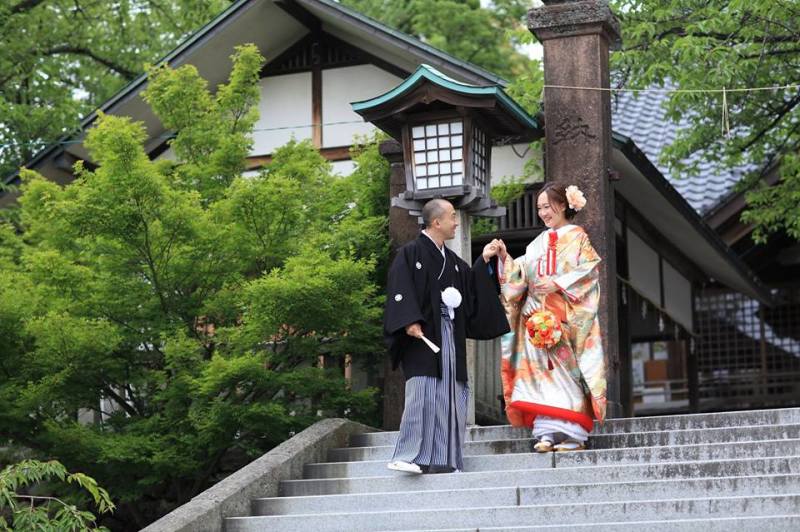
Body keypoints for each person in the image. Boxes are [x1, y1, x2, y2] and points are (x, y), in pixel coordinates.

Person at [384, 198, 510, 474]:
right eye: (453, 216)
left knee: (450, 394)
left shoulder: (452, 262)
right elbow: (399, 287)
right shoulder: (411, 254)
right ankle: (407, 454)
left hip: (450, 333)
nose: (456, 222)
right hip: (422, 334)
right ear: (436, 222)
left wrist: (484, 259)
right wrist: (409, 320)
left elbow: (471, 287)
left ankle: (444, 458)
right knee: (423, 392)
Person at [496, 182, 606, 452]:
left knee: (566, 375)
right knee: (539, 377)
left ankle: (574, 435)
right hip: (536, 318)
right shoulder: (537, 243)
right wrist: (504, 258)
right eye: (540, 208)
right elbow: (519, 276)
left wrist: (558, 284)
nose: (544, 213)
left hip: (565, 317)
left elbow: (590, 271)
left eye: (548, 206)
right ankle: (546, 433)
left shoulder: (578, 237)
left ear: (564, 205)